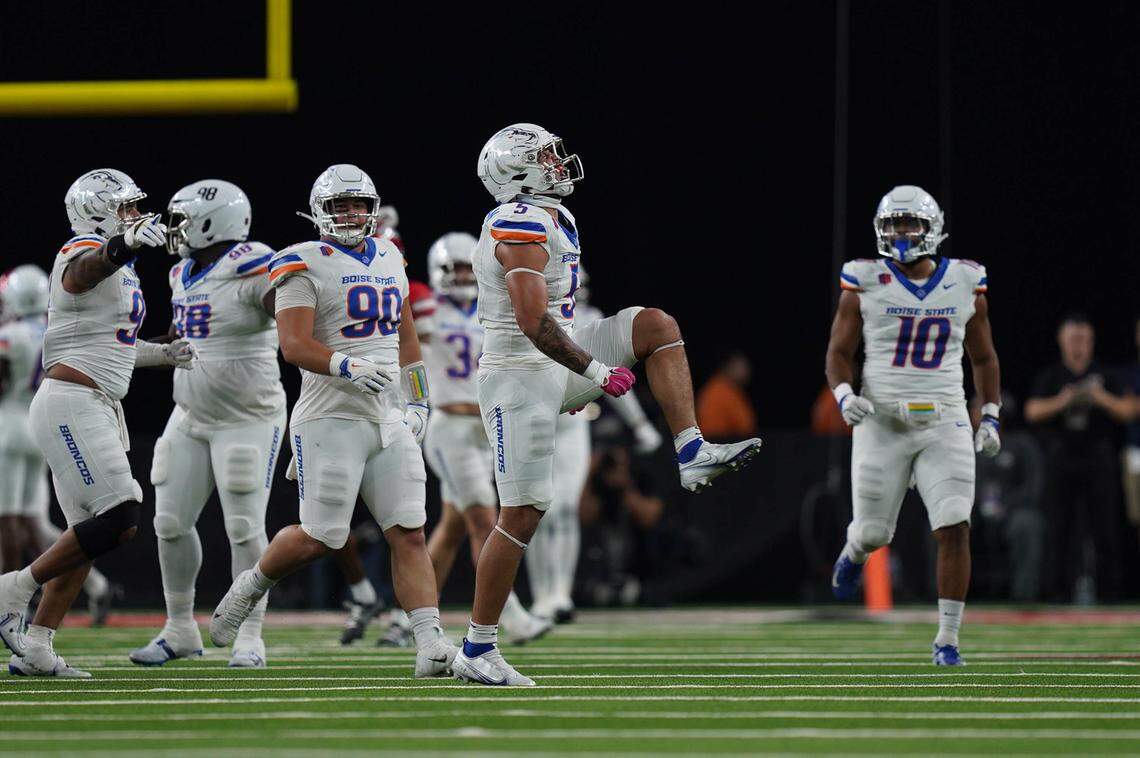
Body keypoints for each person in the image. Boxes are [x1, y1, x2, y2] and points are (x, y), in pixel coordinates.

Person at [451, 123, 762, 686]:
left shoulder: (552, 216)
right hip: (519, 375)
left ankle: (690, 449)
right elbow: (530, 321)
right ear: (515, 171)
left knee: (655, 326)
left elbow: (557, 323)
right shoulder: (514, 222)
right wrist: (595, 372)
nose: (557, 162)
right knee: (523, 513)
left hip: (553, 364)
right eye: (544, 157)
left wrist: (584, 374)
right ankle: (477, 647)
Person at [208, 164, 457, 679]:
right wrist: (346, 363)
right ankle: (250, 586)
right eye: (339, 204)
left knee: (408, 530)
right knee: (321, 535)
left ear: (372, 207)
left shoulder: (390, 255)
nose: (350, 213)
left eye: (357, 203)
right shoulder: (301, 261)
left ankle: (430, 643)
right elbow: (293, 344)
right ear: (319, 211)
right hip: (329, 413)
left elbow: (407, 342)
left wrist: (418, 402)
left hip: (387, 415)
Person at [0, 169, 196, 677]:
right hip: (72, 400)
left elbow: (114, 347)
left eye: (135, 209)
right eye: (125, 208)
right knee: (120, 516)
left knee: (85, 535)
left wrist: (163, 353)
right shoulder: (79, 251)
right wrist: (122, 244)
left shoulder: (124, 269)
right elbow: (85, 271)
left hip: (94, 399)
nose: (135, 215)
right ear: (97, 211)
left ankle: (38, 645)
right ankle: (13, 588)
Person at [826, 185, 1001, 666]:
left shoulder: (966, 280)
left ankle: (947, 639)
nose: (901, 234)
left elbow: (983, 357)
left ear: (933, 228)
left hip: (944, 419)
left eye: (911, 224)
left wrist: (989, 414)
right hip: (882, 421)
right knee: (875, 533)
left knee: (954, 524)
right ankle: (854, 551)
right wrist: (845, 395)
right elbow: (839, 353)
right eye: (893, 225)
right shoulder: (865, 278)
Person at [129, 180, 286, 668]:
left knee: (244, 527)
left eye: (180, 220)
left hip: (249, 417)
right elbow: (183, 336)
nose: (174, 230)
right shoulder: (182, 272)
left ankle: (250, 635)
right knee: (169, 523)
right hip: (191, 414)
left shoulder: (255, 262)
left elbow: (297, 315)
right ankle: (179, 628)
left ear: (212, 221)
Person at [418, 232, 551, 644]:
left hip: (486, 427)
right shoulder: (426, 308)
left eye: (465, 267)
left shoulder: (487, 308)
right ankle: (510, 615)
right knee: (483, 519)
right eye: (453, 268)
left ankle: (413, 617)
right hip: (449, 426)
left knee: (453, 527)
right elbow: (404, 321)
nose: (460, 275)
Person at [526, 265, 663, 624]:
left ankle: (560, 595)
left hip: (572, 426)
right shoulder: (525, 315)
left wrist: (638, 423)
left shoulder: (589, 319)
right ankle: (542, 594)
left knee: (567, 509)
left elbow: (610, 373)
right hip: (533, 419)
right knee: (537, 511)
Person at [0, 267, 118, 624]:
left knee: (7, 520)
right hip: (38, 426)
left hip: (8, 428)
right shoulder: (56, 331)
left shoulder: (9, 335)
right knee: (33, 520)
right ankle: (96, 585)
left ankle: (8, 594)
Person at [1025, 314, 1133, 601]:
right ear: (1062, 341)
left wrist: (1099, 397)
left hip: (1099, 458)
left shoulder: (1105, 375)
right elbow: (1032, 411)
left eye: (1083, 339)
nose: (1078, 345)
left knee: (1105, 528)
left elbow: (1127, 410)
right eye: (1073, 339)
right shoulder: (1052, 376)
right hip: (1061, 458)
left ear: (1092, 342)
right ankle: (1057, 591)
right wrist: (1064, 400)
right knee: (1060, 526)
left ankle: (1110, 592)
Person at [696, 351, 758, 441]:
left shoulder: (731, 389)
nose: (747, 371)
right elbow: (744, 427)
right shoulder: (720, 390)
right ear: (729, 366)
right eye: (742, 367)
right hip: (718, 444)